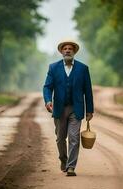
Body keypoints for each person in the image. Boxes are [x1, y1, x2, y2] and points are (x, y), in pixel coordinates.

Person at [43, 39, 94, 176]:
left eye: (70, 48)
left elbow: (88, 90)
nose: (67, 50)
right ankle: (63, 159)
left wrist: (90, 110)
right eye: (65, 48)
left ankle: (71, 167)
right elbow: (47, 87)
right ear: (61, 51)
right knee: (60, 138)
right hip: (59, 109)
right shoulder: (53, 68)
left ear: (74, 52)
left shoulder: (83, 69)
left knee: (74, 137)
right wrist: (48, 101)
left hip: (76, 109)